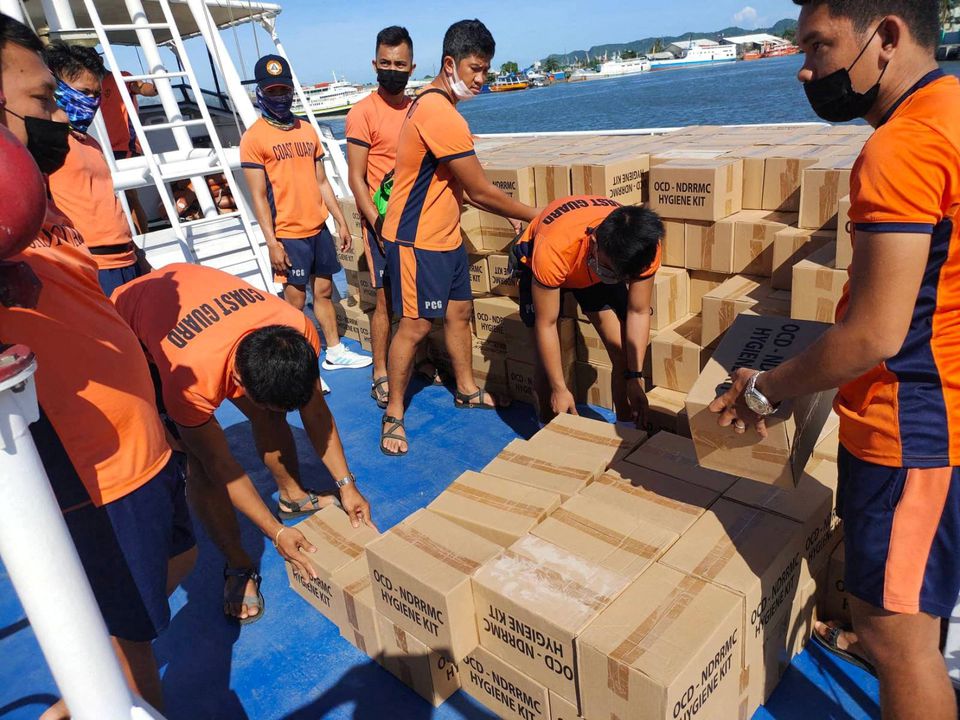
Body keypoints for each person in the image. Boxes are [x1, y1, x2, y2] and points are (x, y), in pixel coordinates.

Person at [710, 3, 959, 719]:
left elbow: (875, 335)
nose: (805, 67)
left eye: (820, 46)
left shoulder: (902, 146)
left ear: (886, 37)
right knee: (915, 611)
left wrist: (766, 389)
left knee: (896, 637)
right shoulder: (953, 109)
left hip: (912, 428)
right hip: (941, 411)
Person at [0, 15, 196, 717]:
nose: (58, 118)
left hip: (142, 450)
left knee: (177, 565)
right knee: (133, 656)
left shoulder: (39, 202)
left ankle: (85, 688)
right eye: (42, 102)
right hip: (96, 476)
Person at [112, 263, 374, 624]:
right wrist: (276, 533)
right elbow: (222, 466)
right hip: (131, 329)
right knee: (198, 462)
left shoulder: (297, 329)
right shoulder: (189, 380)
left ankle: (293, 496)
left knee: (270, 414)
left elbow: (316, 412)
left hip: (199, 297)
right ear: (237, 379)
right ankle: (238, 563)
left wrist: (348, 486)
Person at [378, 19, 539, 456]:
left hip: (446, 235)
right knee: (414, 326)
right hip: (417, 241)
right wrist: (538, 215)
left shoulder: (441, 107)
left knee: (460, 312)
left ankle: (466, 389)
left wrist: (510, 215)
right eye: (475, 69)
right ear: (450, 63)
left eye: (486, 70)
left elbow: (466, 189)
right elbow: (482, 189)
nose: (481, 80)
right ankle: (393, 411)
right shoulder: (436, 111)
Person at [241, 53, 371, 387]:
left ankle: (334, 349)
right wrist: (272, 243)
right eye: (273, 91)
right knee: (295, 301)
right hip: (287, 233)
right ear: (260, 93)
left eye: (284, 89)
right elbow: (258, 196)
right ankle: (300, 365)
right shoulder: (254, 138)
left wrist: (340, 221)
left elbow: (322, 181)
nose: (280, 96)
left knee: (324, 291)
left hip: (317, 228)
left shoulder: (308, 130)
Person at [514, 196, 662, 424]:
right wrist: (559, 388)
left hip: (589, 263)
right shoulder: (554, 248)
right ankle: (546, 427)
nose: (615, 279)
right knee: (546, 366)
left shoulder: (645, 248)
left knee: (623, 353)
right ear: (594, 242)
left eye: (621, 277)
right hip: (546, 259)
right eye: (610, 271)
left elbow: (639, 311)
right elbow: (547, 324)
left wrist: (635, 377)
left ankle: (626, 426)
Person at [44, 42, 151, 296]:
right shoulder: (44, 143)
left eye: (96, 94)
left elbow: (107, 201)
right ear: (56, 87)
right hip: (91, 265)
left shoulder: (91, 142)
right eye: (83, 92)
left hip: (126, 259)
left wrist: (138, 255)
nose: (91, 101)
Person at [346, 26, 415, 408]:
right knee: (386, 303)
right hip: (382, 224)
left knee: (416, 302)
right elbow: (356, 178)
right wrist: (377, 224)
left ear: (411, 66)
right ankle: (380, 372)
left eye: (399, 64)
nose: (392, 69)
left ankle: (413, 363)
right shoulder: (362, 113)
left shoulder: (418, 109)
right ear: (375, 64)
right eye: (386, 63)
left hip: (417, 223)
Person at [99, 67, 154, 233]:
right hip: (101, 148)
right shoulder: (84, 85)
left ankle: (143, 237)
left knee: (129, 195)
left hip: (124, 146)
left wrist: (156, 86)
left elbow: (142, 88)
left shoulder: (121, 77)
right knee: (110, 197)